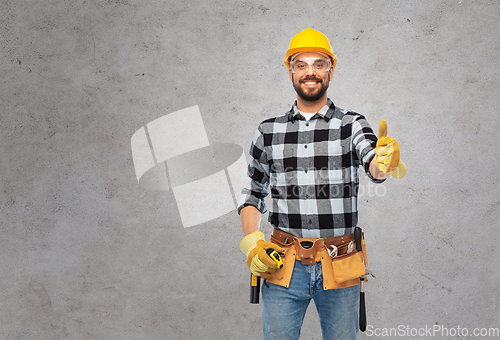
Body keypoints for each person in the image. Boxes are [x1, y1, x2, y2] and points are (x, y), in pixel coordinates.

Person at [237, 28, 407, 340]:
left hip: (340, 263)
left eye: (319, 64)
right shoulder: (268, 131)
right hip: (282, 265)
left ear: (331, 69)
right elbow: (252, 194)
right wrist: (252, 243)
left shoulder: (351, 124)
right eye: (301, 64)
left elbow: (374, 163)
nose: (310, 72)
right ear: (290, 71)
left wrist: (385, 162)